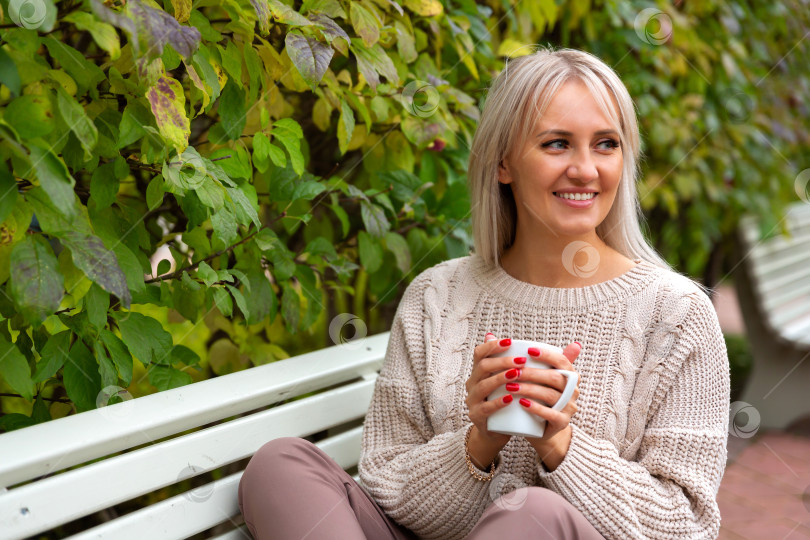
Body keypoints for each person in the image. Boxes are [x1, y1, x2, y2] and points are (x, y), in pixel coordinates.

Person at [238, 46, 730, 540]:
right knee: (280, 466)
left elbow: (687, 526)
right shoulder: (437, 296)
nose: (585, 169)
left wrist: (561, 445)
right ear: (502, 164)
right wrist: (479, 443)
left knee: (530, 513)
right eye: (557, 144)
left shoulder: (677, 313)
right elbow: (385, 485)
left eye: (606, 144)